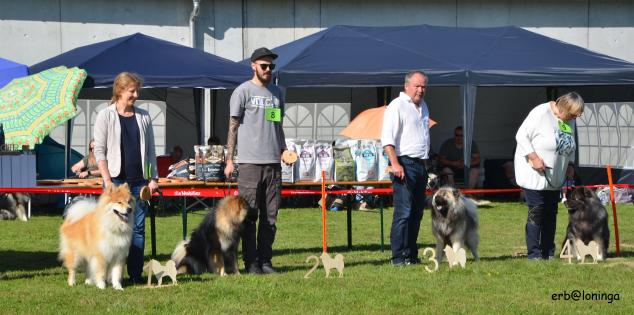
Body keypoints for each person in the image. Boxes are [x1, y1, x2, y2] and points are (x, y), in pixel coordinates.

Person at [224, 47, 286, 275]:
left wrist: (284, 150)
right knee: (249, 216)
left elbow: (276, 124)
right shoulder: (242, 92)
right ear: (253, 66)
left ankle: (266, 261)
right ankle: (251, 263)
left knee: (271, 216)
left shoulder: (277, 93)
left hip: (274, 164)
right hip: (249, 163)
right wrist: (229, 160)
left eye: (271, 66)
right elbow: (233, 126)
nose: (268, 70)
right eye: (264, 66)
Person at [93, 72, 159, 282]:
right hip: (116, 183)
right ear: (120, 91)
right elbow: (99, 151)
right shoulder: (105, 115)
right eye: (132, 91)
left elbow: (150, 151)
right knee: (112, 232)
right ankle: (111, 276)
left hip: (139, 183)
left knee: (137, 230)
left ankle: (135, 275)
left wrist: (154, 178)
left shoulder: (144, 117)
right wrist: (107, 180)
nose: (136, 95)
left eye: (137, 90)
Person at [514, 92, 584, 260]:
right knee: (537, 212)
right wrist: (534, 157)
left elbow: (570, 143)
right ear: (565, 108)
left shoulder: (569, 120)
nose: (575, 118)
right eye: (573, 114)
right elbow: (521, 136)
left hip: (556, 175)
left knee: (551, 213)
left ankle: (548, 252)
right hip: (534, 172)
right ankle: (534, 254)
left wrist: (571, 165)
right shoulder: (540, 112)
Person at [381, 70, 431, 266]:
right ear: (407, 86)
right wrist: (395, 163)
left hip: (420, 164)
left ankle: (411, 255)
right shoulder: (397, 105)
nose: (420, 90)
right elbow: (387, 139)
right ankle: (398, 257)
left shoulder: (423, 106)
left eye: (423, 86)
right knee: (403, 212)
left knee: (417, 212)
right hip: (403, 163)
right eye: (417, 86)